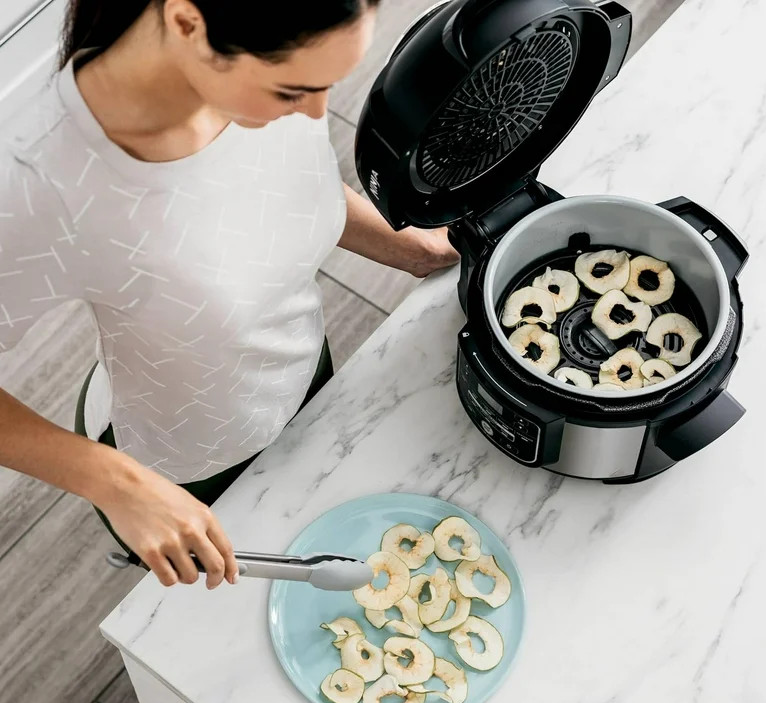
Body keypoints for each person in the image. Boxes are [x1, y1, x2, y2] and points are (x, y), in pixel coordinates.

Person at [0, 1, 458, 590]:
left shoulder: (267, 77)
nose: (316, 112)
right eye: (293, 90)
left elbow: (276, 188)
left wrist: (409, 249)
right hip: (187, 465)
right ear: (188, 24)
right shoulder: (34, 181)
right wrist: (116, 484)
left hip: (304, 379)